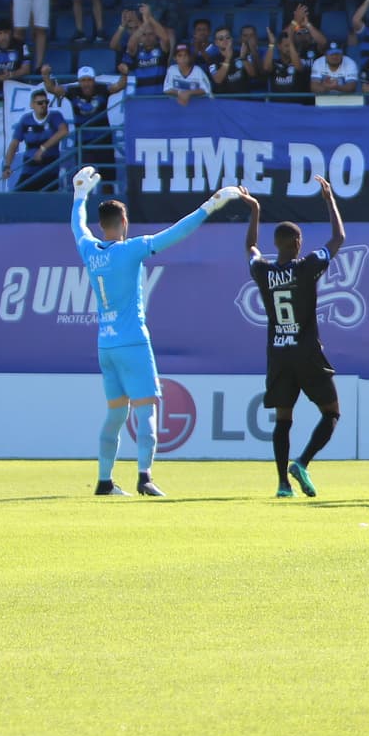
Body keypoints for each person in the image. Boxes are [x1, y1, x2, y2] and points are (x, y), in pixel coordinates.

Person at [70, 167, 239, 497]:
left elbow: (77, 226)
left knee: (115, 414)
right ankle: (144, 477)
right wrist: (210, 205)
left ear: (102, 225)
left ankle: (104, 481)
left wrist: (79, 196)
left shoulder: (89, 249)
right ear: (124, 222)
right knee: (146, 410)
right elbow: (174, 234)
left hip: (106, 345)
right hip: (133, 342)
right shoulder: (129, 249)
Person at [241, 179, 347, 498]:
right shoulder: (306, 268)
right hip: (307, 352)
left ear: (277, 244)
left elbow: (250, 247)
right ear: (298, 242)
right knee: (331, 413)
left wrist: (255, 210)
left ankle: (282, 485)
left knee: (283, 420)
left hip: (278, 353)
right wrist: (329, 199)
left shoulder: (264, 271)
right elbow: (338, 238)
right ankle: (301, 462)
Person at [2, 89, 70, 192]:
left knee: (47, 197)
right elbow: (14, 144)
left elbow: (64, 131)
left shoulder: (55, 116)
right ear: (32, 105)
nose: (44, 105)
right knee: (17, 196)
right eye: (40, 103)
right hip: (29, 170)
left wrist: (42, 149)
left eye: (46, 102)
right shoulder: (26, 120)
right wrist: (7, 166)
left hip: (49, 170)